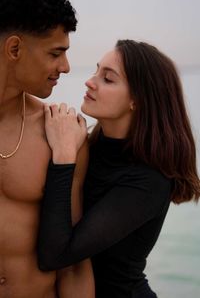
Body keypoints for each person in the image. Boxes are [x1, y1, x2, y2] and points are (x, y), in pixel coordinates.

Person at [37, 39, 200, 298]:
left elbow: (55, 255)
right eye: (96, 71)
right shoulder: (91, 145)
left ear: (137, 100)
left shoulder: (149, 180)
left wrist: (65, 156)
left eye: (108, 79)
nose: (90, 81)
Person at [0, 0, 95, 297]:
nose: (65, 67)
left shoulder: (62, 135)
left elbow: (74, 265)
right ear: (14, 49)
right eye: (56, 53)